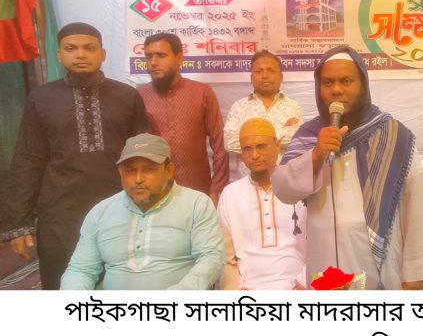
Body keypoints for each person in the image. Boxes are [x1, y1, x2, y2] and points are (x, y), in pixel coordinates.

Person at [2, 22, 150, 289]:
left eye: (89, 48)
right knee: (63, 282)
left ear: (102, 54)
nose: (80, 54)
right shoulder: (41, 98)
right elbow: (28, 159)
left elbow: (145, 155)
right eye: (71, 48)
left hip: (119, 208)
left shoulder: (127, 96)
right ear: (59, 55)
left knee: (122, 281)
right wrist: (19, 225)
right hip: (60, 215)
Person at [271, 45, 423, 290]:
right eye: (328, 82)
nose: (336, 90)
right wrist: (315, 155)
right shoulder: (309, 136)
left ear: (363, 85)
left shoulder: (395, 136)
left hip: (377, 267)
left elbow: (415, 206)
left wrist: (416, 271)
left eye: (346, 81)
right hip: (323, 267)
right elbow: (282, 189)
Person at [60, 133, 224, 290]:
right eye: (130, 170)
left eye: (149, 169)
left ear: (168, 170)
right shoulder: (101, 212)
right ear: (120, 172)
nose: (138, 179)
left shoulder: (196, 204)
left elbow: (211, 257)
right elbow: (81, 270)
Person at [137, 32, 228, 205]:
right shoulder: (139, 96)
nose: (153, 62)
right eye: (149, 56)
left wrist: (216, 189)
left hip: (197, 192)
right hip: (154, 193)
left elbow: (220, 145)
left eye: (161, 55)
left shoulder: (202, 93)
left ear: (179, 58)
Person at [218, 118, 306, 290]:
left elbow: (318, 244)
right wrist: (237, 290)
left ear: (277, 145)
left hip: (298, 288)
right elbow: (224, 256)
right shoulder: (230, 194)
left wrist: (303, 284)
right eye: (247, 149)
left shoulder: (300, 188)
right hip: (248, 290)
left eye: (261, 146)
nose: (255, 155)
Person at [224, 50, 304, 174]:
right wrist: (280, 131)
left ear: (281, 77)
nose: (265, 75)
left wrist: (249, 138)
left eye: (270, 70)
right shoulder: (239, 107)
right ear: (251, 77)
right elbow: (230, 142)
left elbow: (298, 140)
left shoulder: (293, 106)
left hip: (284, 181)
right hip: (248, 181)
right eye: (259, 71)